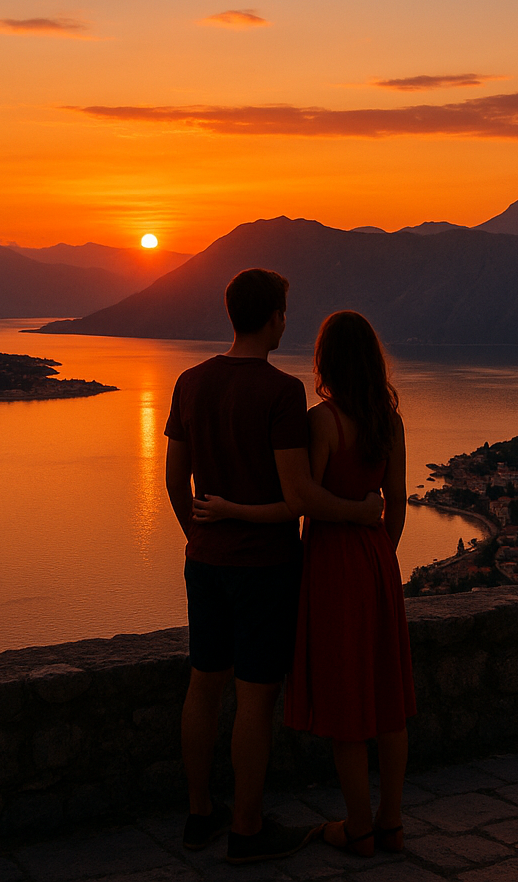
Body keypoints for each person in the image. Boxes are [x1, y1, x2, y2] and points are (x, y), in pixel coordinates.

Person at [164, 270, 382, 865]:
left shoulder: (188, 382)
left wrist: (201, 538)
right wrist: (364, 514)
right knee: (255, 698)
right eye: (285, 311)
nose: (287, 320)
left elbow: (172, 482)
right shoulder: (282, 393)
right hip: (265, 569)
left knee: (203, 685)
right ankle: (247, 827)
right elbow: (296, 497)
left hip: (206, 564)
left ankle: (197, 813)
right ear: (274, 318)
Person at [195, 310, 415, 858]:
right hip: (376, 564)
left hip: (333, 566)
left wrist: (236, 511)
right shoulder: (391, 421)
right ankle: (392, 823)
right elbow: (397, 508)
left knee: (348, 705)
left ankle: (359, 829)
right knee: (387, 698)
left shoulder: (323, 422)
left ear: (326, 361)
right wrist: (377, 551)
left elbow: (304, 501)